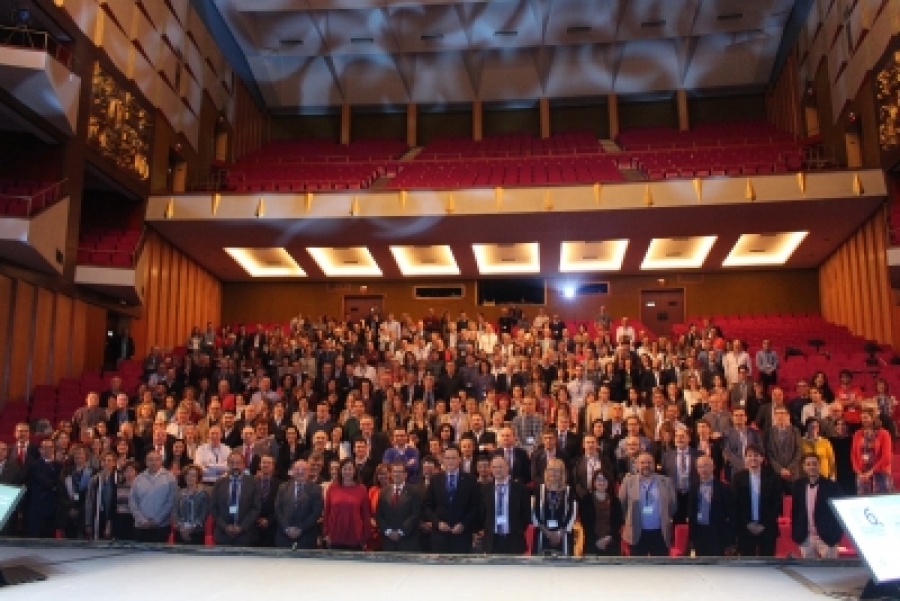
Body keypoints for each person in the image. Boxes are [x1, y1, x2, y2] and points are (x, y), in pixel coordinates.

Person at [619, 452, 677, 556]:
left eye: (649, 462)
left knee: (660, 569)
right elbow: (623, 504)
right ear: (636, 465)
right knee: (638, 569)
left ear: (654, 464)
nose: (646, 465)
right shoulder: (628, 482)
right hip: (637, 533)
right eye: (642, 463)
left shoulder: (666, 481)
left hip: (660, 533)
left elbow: (672, 505)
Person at [424, 446, 479, 554]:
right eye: (447, 458)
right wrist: (437, 523)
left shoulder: (470, 480)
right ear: (443, 460)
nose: (450, 461)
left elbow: (475, 507)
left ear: (460, 459)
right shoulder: (435, 479)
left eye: (453, 458)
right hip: (440, 536)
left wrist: (463, 524)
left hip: (462, 536)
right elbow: (427, 506)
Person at [732, 444, 782, 557]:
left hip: (767, 528)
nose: (753, 458)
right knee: (747, 567)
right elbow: (735, 504)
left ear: (762, 458)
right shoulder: (738, 478)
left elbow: (777, 504)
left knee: (768, 565)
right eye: (749, 456)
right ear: (745, 459)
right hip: (745, 529)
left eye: (756, 455)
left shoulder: (773, 477)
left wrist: (763, 524)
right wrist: (748, 524)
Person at [791, 453, 844, 559]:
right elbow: (795, 511)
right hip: (806, 537)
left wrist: (836, 536)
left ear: (819, 465)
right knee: (809, 573)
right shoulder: (798, 486)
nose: (811, 467)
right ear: (804, 467)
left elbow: (840, 513)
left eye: (814, 464)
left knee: (831, 572)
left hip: (827, 537)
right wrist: (797, 533)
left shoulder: (832, 486)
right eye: (808, 464)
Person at [481, 454, 531, 555]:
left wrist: (517, 530)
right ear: (491, 469)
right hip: (492, 541)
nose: (497, 470)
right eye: (494, 467)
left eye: (500, 467)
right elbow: (482, 513)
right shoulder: (485, 489)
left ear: (507, 467)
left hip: (513, 540)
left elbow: (526, 515)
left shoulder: (520, 489)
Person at [210, 451, 261, 546]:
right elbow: (213, 508)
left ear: (244, 465)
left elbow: (256, 508)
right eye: (232, 463)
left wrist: (242, 527)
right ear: (228, 465)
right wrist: (225, 526)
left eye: (238, 463)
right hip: (222, 534)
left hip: (246, 535)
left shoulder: (253, 483)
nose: (235, 466)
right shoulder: (219, 483)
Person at [688, 455, 734, 556]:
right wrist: (691, 537)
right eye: (700, 466)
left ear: (713, 467)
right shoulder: (693, 487)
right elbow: (691, 513)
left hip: (717, 534)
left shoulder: (724, 488)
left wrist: (730, 541)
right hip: (699, 532)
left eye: (706, 466)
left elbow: (731, 515)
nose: (703, 469)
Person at [129, 449, 177, 543]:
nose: (153, 462)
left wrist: (157, 520)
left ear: (161, 461)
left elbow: (171, 501)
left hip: (161, 526)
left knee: (159, 557)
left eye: (156, 459)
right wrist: (142, 521)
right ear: (146, 462)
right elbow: (132, 502)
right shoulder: (138, 478)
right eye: (150, 460)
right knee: (140, 556)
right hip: (141, 526)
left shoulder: (170, 477)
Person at [531, 458, 577, 555]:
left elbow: (572, 514)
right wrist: (548, 533)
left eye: (557, 470)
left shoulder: (569, 491)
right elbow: (534, 512)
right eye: (550, 469)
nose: (553, 473)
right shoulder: (539, 489)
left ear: (562, 473)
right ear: (546, 472)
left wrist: (559, 533)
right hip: (542, 534)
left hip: (563, 536)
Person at [274, 460, 323, 549]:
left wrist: (300, 529)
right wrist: (286, 528)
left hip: (306, 538)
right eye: (297, 469)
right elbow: (277, 509)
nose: (300, 472)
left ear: (309, 472)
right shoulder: (283, 487)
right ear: (292, 471)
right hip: (284, 537)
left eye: (304, 469)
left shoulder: (316, 489)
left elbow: (316, 512)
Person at [323, 458, 371, 550]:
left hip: (355, 537)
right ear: (340, 471)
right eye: (345, 469)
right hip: (335, 535)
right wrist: (326, 533)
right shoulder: (332, 488)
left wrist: (365, 537)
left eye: (350, 469)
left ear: (354, 471)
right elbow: (327, 513)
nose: (347, 472)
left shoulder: (362, 489)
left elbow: (365, 515)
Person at [375, 460, 423, 553]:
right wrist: (388, 531)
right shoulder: (383, 492)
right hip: (388, 542)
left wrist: (400, 532)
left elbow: (415, 515)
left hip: (407, 541)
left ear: (405, 475)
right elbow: (379, 515)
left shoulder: (414, 492)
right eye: (394, 472)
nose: (397, 474)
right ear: (391, 474)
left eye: (400, 472)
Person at [24, 438, 62, 538]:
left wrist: (56, 485)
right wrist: (56, 484)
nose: (48, 450)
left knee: (49, 541)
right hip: (38, 510)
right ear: (40, 450)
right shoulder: (34, 466)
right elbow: (46, 483)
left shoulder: (59, 465)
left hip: (53, 508)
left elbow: (61, 484)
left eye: (51, 447)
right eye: (45, 447)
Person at [661, 427, 699, 524]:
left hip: (693, 495)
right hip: (674, 495)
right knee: (677, 524)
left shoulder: (699, 455)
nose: (679, 439)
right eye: (677, 436)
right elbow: (664, 477)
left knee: (693, 524)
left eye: (682, 436)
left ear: (689, 438)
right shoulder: (666, 456)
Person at [851, 408, 893, 495]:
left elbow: (886, 457)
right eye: (862, 418)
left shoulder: (884, 434)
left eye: (866, 417)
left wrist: (871, 472)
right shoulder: (857, 434)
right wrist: (858, 471)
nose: (863, 420)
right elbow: (853, 454)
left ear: (873, 418)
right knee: (865, 504)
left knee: (881, 503)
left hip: (880, 474)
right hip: (862, 475)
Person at [582, 469, 623, 556]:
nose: (601, 482)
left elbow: (618, 522)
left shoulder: (615, 501)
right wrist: (597, 541)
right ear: (594, 482)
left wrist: (608, 538)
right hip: (592, 543)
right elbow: (585, 523)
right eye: (598, 479)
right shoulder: (586, 500)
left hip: (612, 544)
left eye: (604, 479)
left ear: (608, 482)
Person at [59, 444, 94, 539]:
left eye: (81, 454)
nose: (78, 456)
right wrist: (70, 508)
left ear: (86, 456)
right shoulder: (66, 471)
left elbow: (90, 495)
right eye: (76, 454)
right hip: (68, 512)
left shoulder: (92, 473)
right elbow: (62, 493)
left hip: (83, 513)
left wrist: (79, 509)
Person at [766, 406, 802, 495]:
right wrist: (780, 469)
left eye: (783, 413)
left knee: (794, 502)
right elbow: (769, 453)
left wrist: (789, 468)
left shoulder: (795, 431)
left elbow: (799, 451)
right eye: (778, 414)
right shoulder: (769, 432)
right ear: (774, 416)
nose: (780, 416)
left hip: (792, 473)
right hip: (776, 473)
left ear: (788, 416)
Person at [85, 451, 118, 540]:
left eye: (110, 460)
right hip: (98, 515)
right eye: (104, 460)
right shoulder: (94, 480)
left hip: (113, 516)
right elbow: (89, 501)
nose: (107, 463)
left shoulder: (118, 479)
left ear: (114, 463)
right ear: (101, 463)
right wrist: (88, 522)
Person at [173, 465, 210, 545]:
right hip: (180, 532)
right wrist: (181, 528)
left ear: (198, 478)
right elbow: (175, 512)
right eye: (188, 475)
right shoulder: (179, 493)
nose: (190, 478)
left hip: (196, 533)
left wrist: (191, 528)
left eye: (193, 475)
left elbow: (203, 515)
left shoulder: (203, 494)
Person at [255, 455, 279, 546]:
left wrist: (269, 520)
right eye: (264, 462)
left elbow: (280, 507)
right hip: (253, 528)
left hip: (272, 528)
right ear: (260, 465)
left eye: (269, 463)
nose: (266, 465)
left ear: (273, 466)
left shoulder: (281, 485)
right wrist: (256, 519)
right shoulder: (251, 483)